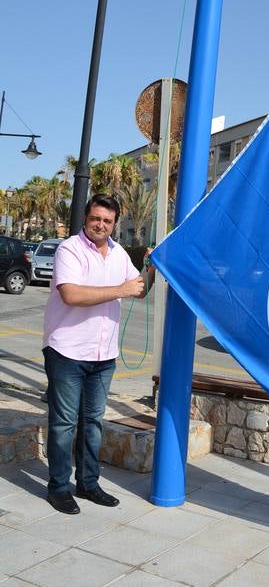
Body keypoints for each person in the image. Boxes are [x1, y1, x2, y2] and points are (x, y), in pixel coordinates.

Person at [43, 194, 155, 514]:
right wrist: (122, 290)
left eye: (107, 221)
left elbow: (139, 288)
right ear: (85, 218)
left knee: (93, 422)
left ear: (115, 223)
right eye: (96, 218)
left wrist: (151, 267)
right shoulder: (70, 249)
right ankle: (58, 488)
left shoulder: (119, 253)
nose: (101, 225)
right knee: (64, 424)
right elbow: (71, 294)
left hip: (103, 355)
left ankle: (88, 483)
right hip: (67, 350)